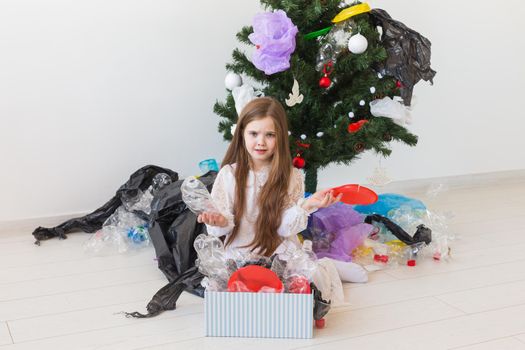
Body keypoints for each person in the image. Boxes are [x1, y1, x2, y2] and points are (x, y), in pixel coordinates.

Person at [198, 97, 367, 284]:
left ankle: (329, 267)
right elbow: (220, 228)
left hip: (279, 254)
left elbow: (284, 227)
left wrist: (307, 206)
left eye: (269, 135)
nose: (261, 142)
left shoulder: (291, 176)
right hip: (240, 254)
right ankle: (322, 267)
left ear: (280, 137)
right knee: (235, 287)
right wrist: (219, 221)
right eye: (253, 133)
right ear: (242, 134)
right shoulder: (229, 175)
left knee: (301, 284)